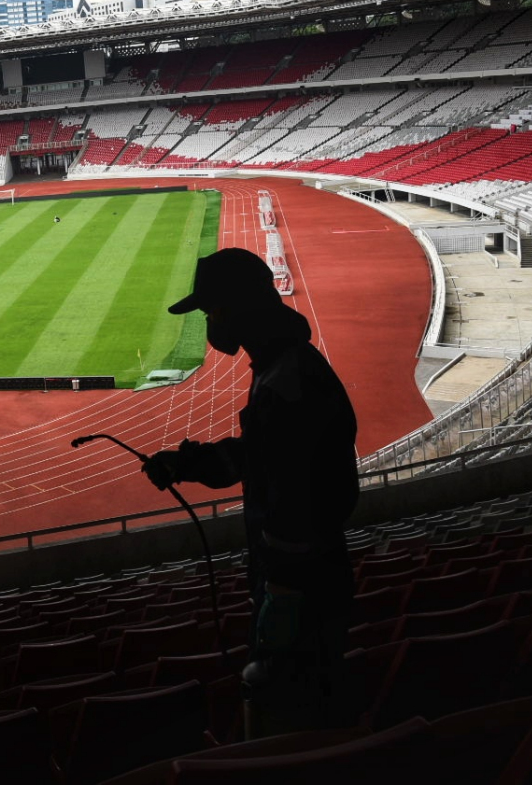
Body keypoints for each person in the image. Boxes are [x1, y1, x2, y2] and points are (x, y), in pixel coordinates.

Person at [141, 247, 358, 738]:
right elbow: (263, 454)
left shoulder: (287, 379)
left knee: (286, 696)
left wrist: (280, 589)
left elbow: (297, 486)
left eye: (211, 310)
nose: (208, 322)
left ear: (238, 308)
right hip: (307, 571)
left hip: (296, 577)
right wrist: (188, 463)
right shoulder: (284, 365)